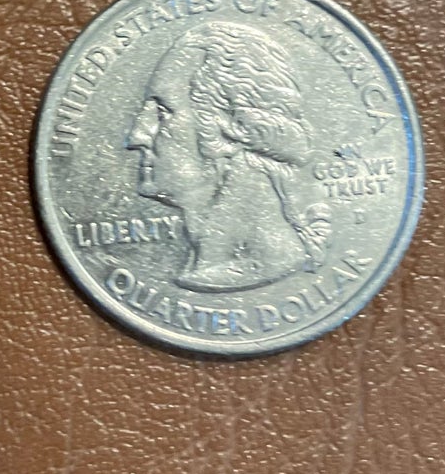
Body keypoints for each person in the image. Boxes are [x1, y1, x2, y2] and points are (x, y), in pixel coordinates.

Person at [127, 22, 331, 292]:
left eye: (163, 113)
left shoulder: (266, 263)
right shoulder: (204, 267)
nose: (136, 136)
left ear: (232, 130)